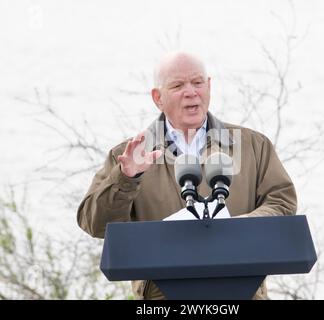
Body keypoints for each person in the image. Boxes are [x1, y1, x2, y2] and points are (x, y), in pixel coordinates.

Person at [77, 52, 297, 300]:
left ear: (209, 87)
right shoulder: (129, 156)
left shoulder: (253, 146)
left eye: (198, 82)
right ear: (157, 97)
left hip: (242, 294)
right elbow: (94, 224)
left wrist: (239, 227)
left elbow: (282, 201)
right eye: (178, 85)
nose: (191, 92)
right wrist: (126, 179)